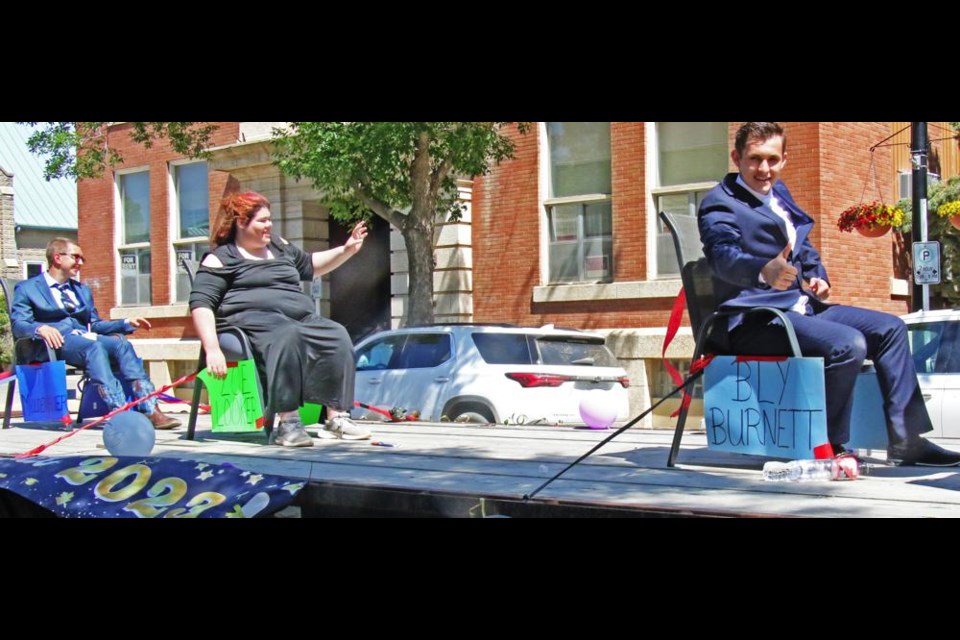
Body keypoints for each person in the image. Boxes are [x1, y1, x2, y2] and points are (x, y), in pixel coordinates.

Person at [698, 121, 960, 467]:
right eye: (754, 159)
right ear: (737, 157)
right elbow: (722, 255)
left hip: (799, 308)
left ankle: (906, 440)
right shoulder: (720, 204)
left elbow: (803, 247)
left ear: (785, 159)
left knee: (891, 328)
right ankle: (831, 445)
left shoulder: (779, 195)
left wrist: (816, 274)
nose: (764, 169)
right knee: (847, 343)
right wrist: (763, 268)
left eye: (772, 160)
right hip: (754, 319)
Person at [189, 191, 371, 447]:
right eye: (262, 221)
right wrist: (212, 349)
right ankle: (289, 422)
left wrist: (347, 249)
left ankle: (336, 417)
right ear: (241, 222)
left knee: (336, 334)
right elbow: (201, 304)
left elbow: (310, 266)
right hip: (251, 324)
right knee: (287, 335)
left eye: (270, 219)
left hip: (297, 317)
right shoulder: (221, 258)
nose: (269, 226)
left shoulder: (279, 246)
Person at [10, 238, 182, 429]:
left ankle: (150, 408)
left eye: (82, 258)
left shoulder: (81, 290)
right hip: (51, 343)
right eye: (76, 257)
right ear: (57, 258)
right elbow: (19, 324)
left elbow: (95, 325)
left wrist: (125, 323)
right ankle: (119, 412)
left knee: (121, 343)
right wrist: (39, 328)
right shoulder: (28, 288)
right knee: (95, 346)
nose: (81, 262)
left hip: (84, 340)